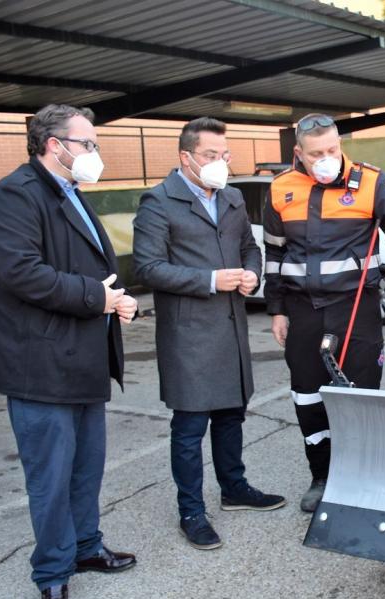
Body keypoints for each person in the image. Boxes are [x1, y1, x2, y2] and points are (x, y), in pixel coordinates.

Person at [0, 104, 138, 599]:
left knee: (85, 468)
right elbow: (24, 273)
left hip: (81, 356)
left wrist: (115, 300)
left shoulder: (68, 192)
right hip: (38, 364)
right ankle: (52, 576)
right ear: (54, 145)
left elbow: (91, 271)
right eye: (87, 143)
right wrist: (98, 297)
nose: (95, 153)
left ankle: (86, 547)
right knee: (50, 478)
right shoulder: (15, 195)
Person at [263, 113, 385, 512]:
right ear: (299, 153)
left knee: (362, 395)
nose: (327, 157)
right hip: (303, 311)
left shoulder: (371, 181)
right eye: (316, 154)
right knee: (308, 397)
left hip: (357, 310)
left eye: (333, 149)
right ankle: (323, 476)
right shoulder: (281, 189)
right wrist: (277, 309)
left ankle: (366, 475)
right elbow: (275, 253)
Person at [133, 117, 285, 550]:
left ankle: (234, 488)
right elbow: (147, 268)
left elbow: (249, 249)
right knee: (190, 424)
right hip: (189, 333)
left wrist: (253, 275)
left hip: (231, 325)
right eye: (210, 155)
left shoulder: (233, 197)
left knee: (232, 413)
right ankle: (191, 510)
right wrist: (209, 280)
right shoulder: (159, 202)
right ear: (186, 157)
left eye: (225, 155)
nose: (220, 163)